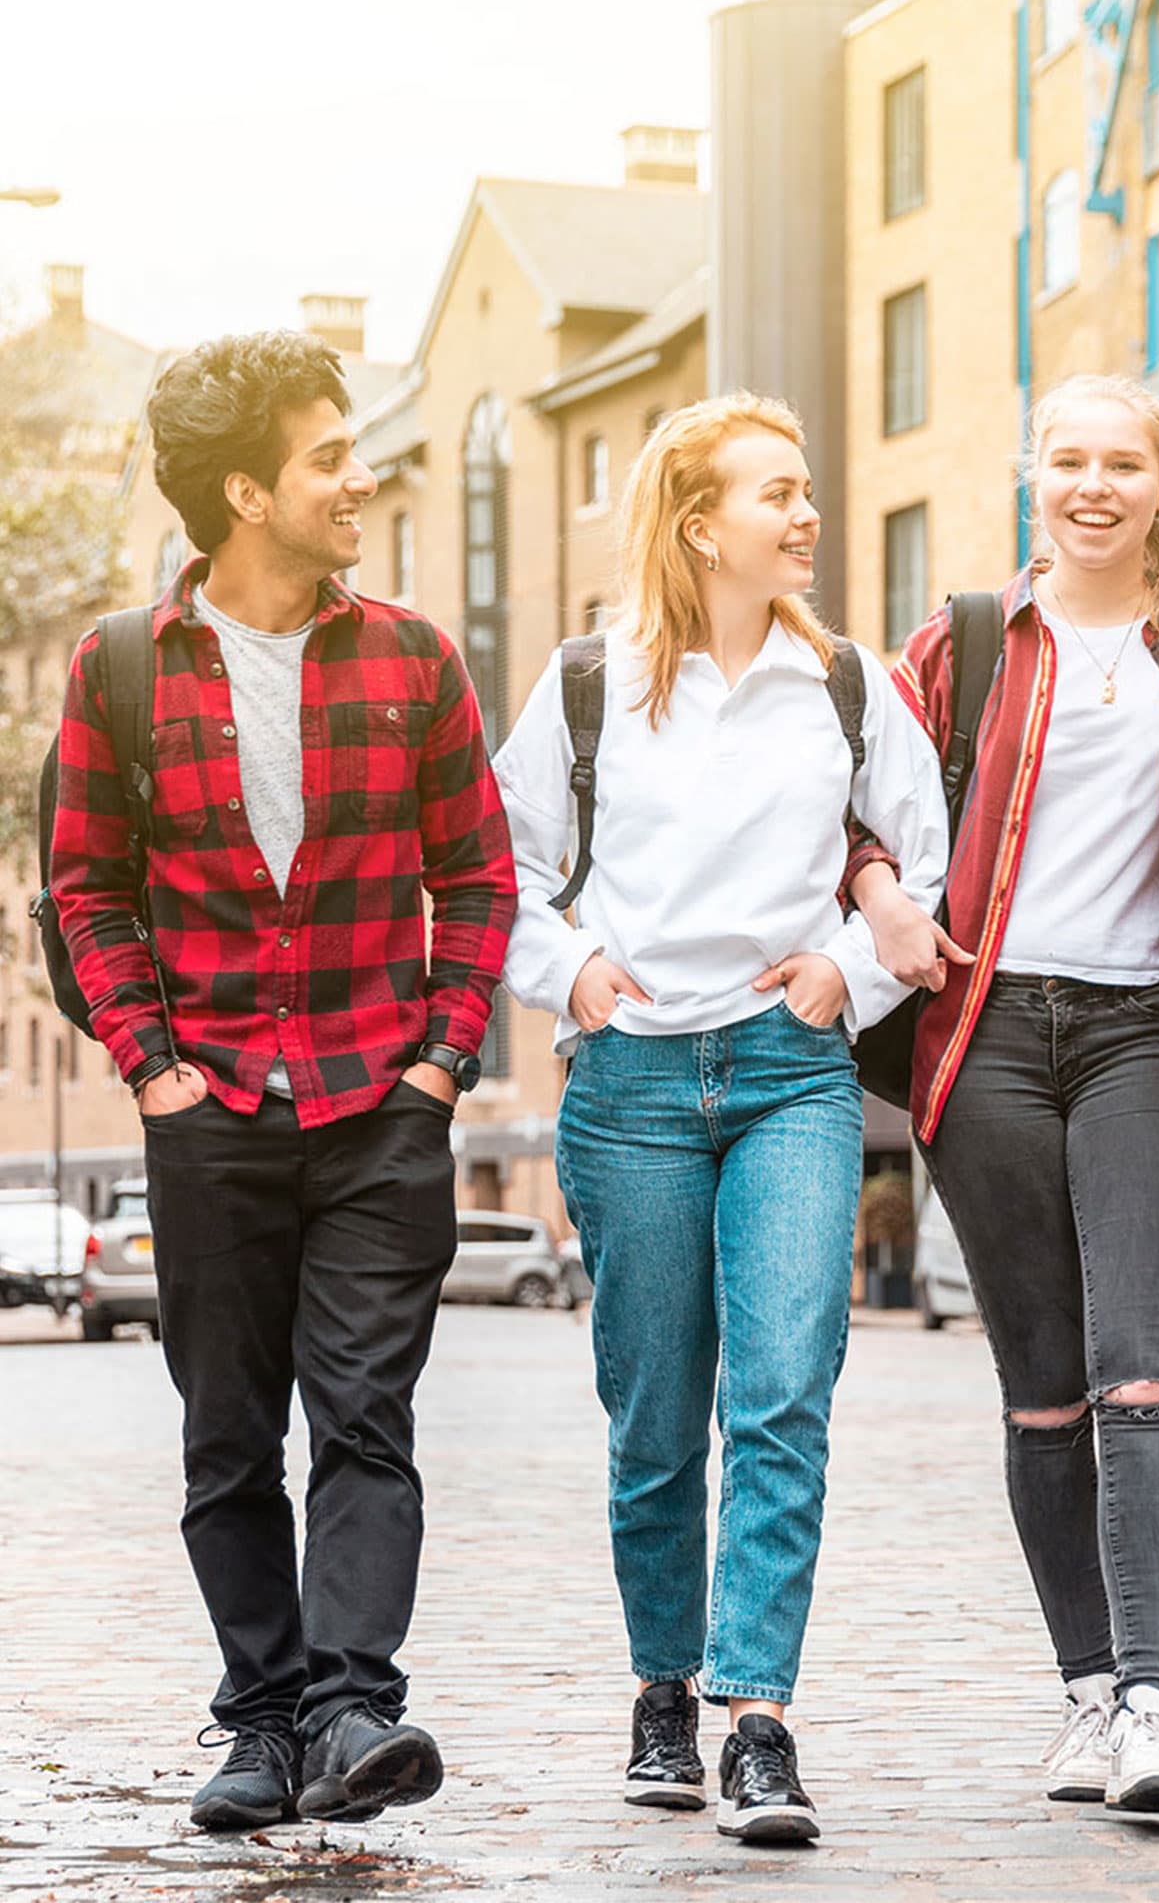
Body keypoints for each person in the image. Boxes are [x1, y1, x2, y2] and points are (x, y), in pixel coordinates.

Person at [49, 331, 517, 1831]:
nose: (358, 474)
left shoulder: (412, 656)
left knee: (366, 1417)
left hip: (382, 1102)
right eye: (328, 453)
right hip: (215, 1111)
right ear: (246, 489)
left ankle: (351, 1710)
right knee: (229, 1432)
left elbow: (480, 873)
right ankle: (260, 1724)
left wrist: (444, 1060)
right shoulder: (120, 668)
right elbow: (87, 894)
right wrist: (155, 1071)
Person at [850, 373, 1159, 1821]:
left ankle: (1156, 1704)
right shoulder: (968, 645)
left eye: (1124, 463)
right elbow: (855, 802)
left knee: (1143, 1370)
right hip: (984, 1029)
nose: (1095, 485)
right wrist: (877, 898)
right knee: (1045, 1389)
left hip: (1145, 1040)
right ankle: (1084, 1693)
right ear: (1032, 479)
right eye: (1070, 461)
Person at [492, 393, 945, 1845]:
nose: (807, 515)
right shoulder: (586, 686)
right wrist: (575, 973)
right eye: (778, 494)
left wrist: (849, 972)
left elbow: (921, 876)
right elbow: (498, 872)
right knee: (653, 1422)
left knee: (781, 1398)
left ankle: (760, 1720)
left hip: (787, 1076)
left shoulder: (855, 689)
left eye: (807, 489)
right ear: (699, 524)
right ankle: (660, 1697)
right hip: (626, 1086)